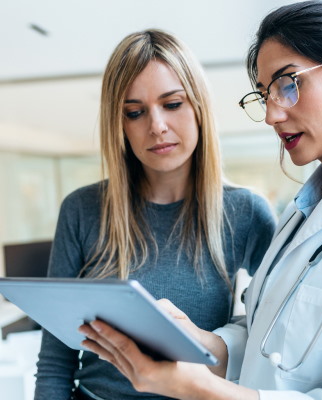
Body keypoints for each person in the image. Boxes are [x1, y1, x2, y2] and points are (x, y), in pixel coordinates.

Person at [79, 1, 322, 399]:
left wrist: (196, 388)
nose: (272, 115)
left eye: (288, 83)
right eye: (265, 94)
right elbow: (268, 338)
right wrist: (203, 342)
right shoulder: (302, 213)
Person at [34, 29, 276, 400]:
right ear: (121, 124)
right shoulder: (82, 210)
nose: (157, 126)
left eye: (173, 104)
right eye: (135, 112)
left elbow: (274, 335)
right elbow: (55, 361)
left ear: (198, 107)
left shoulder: (245, 212)